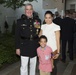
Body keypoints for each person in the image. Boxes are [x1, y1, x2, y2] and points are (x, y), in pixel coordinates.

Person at [15, 3, 41, 75]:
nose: (29, 11)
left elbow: (38, 32)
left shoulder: (37, 20)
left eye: (30, 9)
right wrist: (17, 48)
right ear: (24, 10)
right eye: (27, 9)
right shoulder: (20, 21)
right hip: (24, 46)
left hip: (34, 45)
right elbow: (17, 36)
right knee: (24, 66)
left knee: (33, 66)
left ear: (33, 10)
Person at [39, 11, 60, 75]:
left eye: (49, 17)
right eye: (46, 18)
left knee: (52, 67)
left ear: (52, 18)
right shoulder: (42, 26)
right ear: (44, 18)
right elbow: (40, 36)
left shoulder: (56, 27)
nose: (47, 19)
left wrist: (58, 52)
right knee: (45, 67)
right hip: (44, 50)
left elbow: (58, 40)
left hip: (53, 50)